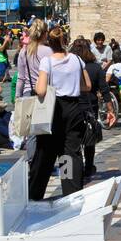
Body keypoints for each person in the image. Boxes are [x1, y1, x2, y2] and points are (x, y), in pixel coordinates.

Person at [30, 27, 92, 200]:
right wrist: (70, 85)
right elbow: (87, 86)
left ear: (50, 43)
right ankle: (71, 192)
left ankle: (35, 194)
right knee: (70, 152)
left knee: (45, 153)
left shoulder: (47, 61)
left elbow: (41, 90)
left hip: (54, 109)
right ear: (65, 41)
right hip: (73, 108)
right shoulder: (77, 59)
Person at [71, 37, 117, 178]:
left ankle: (70, 171)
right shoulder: (95, 68)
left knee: (71, 140)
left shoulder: (68, 65)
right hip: (90, 107)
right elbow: (104, 90)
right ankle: (89, 167)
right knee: (89, 140)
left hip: (70, 106)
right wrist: (111, 110)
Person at [15, 19, 51, 101]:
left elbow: (21, 78)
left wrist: (17, 97)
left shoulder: (24, 51)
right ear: (44, 34)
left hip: (28, 93)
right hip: (46, 92)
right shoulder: (49, 51)